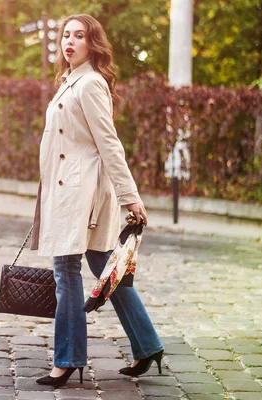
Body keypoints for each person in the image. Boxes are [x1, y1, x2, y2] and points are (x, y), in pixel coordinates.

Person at [29, 14, 164, 388]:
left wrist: (130, 197)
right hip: (67, 190)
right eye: (65, 35)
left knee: (65, 270)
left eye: (79, 36)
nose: (69, 42)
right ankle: (148, 344)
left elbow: (109, 144)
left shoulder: (89, 84)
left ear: (93, 44)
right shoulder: (69, 82)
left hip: (81, 193)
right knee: (105, 265)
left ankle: (68, 359)